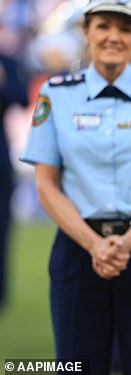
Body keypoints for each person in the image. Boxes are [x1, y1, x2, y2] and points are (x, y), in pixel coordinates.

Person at [19, 0, 131, 375]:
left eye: (126, 28)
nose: (114, 35)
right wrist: (94, 244)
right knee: (77, 365)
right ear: (86, 31)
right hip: (78, 248)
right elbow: (46, 185)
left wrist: (130, 239)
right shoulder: (56, 93)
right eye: (104, 25)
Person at [0, 51, 28, 312]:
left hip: (0, 164)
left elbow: (21, 96)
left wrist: (4, 82)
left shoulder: (7, 61)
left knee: (2, 230)